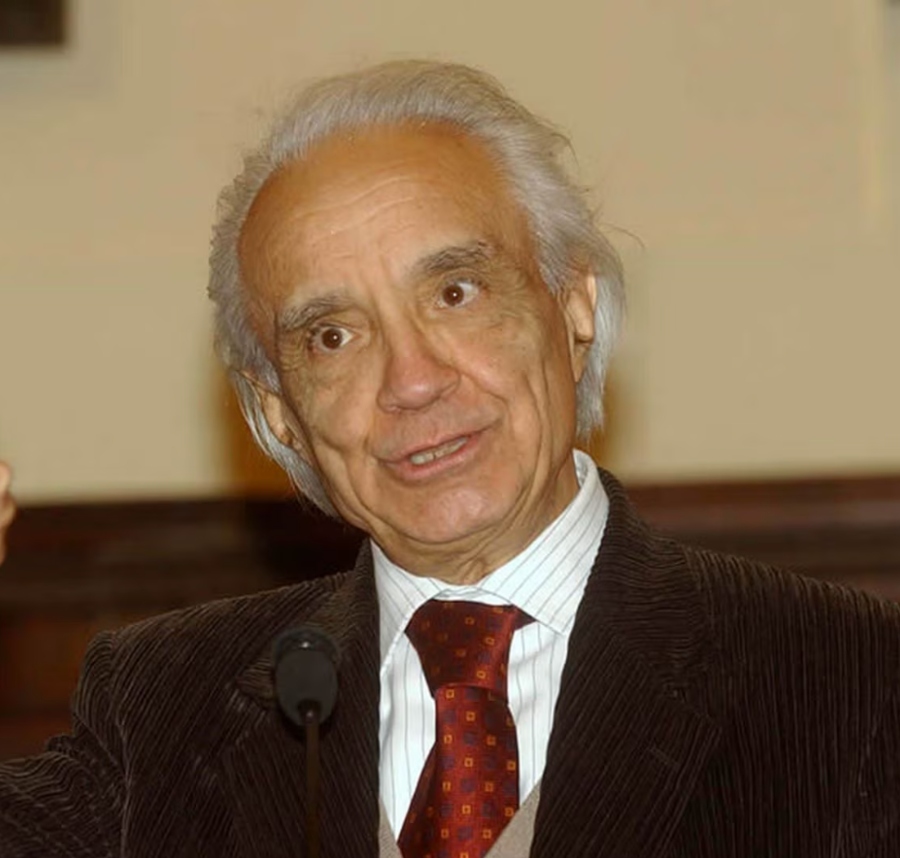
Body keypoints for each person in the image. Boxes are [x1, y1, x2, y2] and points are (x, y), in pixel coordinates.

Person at [1, 60, 898, 858]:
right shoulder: (161, 706)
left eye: (455, 292)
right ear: (280, 411)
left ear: (573, 306)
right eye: (333, 336)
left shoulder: (850, 680)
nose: (412, 381)